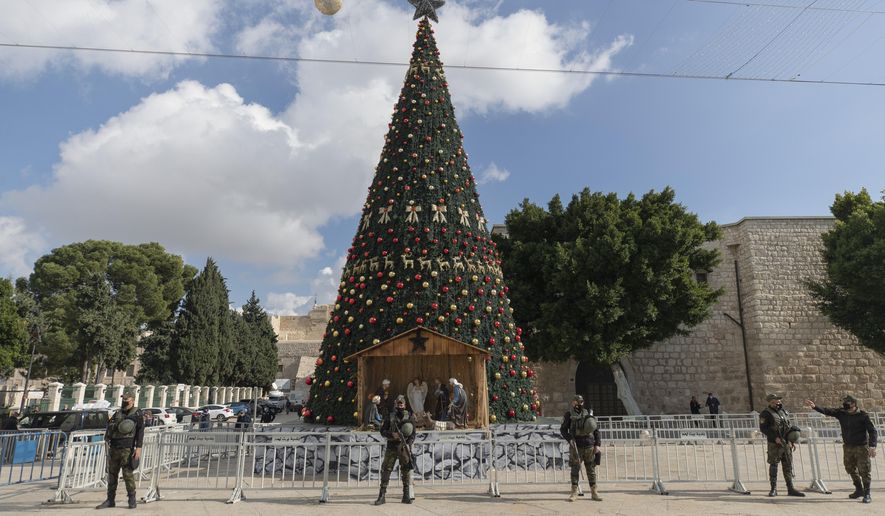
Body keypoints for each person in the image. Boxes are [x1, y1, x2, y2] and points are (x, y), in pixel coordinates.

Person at [805, 396, 877, 504]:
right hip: (848, 446)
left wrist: (872, 446)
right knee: (850, 468)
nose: (844, 404)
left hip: (861, 447)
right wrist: (815, 407)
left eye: (847, 402)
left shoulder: (863, 415)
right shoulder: (841, 413)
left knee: (864, 470)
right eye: (844, 402)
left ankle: (867, 493)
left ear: (854, 404)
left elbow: (872, 431)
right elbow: (828, 411)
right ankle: (859, 489)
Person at [96, 394, 144, 509]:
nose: (124, 401)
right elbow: (110, 427)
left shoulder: (137, 414)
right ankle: (110, 500)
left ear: (132, 400)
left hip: (127, 448)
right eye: (123, 399)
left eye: (126, 399)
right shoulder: (118, 413)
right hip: (114, 447)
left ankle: (132, 499)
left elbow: (140, 431)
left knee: (127, 474)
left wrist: (138, 448)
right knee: (112, 475)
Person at [759, 394, 804, 497]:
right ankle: (773, 489)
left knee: (787, 465)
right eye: (775, 401)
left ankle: (790, 488)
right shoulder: (765, 413)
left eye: (779, 401)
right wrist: (775, 438)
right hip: (774, 443)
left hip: (786, 442)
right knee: (774, 465)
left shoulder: (783, 411)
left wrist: (791, 440)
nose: (778, 403)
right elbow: (763, 428)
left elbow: (787, 426)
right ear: (770, 402)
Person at [374, 395, 416, 505]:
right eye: (398, 403)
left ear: (405, 405)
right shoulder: (390, 416)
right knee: (386, 470)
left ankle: (406, 495)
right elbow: (382, 431)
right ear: (395, 404)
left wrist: (409, 444)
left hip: (403, 447)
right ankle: (382, 495)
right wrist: (392, 434)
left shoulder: (409, 416)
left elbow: (413, 434)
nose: (400, 405)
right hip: (391, 446)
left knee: (406, 470)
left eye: (402, 403)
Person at [560, 395, 602, 502]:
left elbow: (596, 430)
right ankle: (574, 492)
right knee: (575, 470)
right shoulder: (569, 415)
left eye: (581, 402)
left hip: (589, 445)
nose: (579, 404)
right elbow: (563, 430)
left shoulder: (588, 414)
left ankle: (594, 492)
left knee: (591, 470)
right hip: (576, 446)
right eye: (576, 402)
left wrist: (597, 444)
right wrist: (569, 439)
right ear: (573, 403)